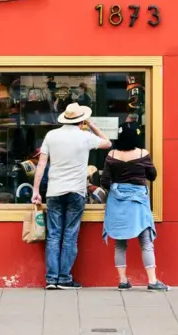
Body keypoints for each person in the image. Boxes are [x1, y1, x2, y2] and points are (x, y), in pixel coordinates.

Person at [31, 103, 112, 290]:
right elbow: (107, 142)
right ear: (81, 119)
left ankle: (51, 279)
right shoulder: (84, 136)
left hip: (54, 192)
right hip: (76, 191)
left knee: (53, 236)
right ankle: (65, 279)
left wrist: (36, 191)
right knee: (69, 235)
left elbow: (41, 165)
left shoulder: (51, 136)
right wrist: (91, 124)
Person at [100, 125, 169, 292]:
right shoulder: (142, 154)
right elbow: (152, 175)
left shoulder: (111, 155)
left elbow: (104, 181)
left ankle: (123, 281)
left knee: (120, 243)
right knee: (146, 242)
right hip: (138, 202)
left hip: (117, 202)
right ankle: (152, 281)